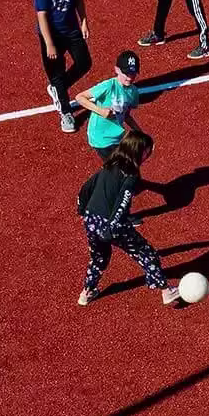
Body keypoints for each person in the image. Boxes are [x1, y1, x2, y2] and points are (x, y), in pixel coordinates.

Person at [76, 129, 181, 307]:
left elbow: (86, 188)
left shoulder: (109, 165)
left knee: (98, 258)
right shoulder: (131, 175)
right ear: (139, 151)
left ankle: (86, 292)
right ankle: (165, 290)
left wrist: (81, 209)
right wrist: (112, 225)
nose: (150, 153)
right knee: (145, 252)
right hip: (112, 224)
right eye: (148, 150)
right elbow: (122, 202)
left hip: (90, 219)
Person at [33, 0, 92, 133]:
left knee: (85, 63)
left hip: (72, 30)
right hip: (53, 35)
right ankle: (66, 113)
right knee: (56, 73)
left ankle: (58, 89)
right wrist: (49, 43)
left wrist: (83, 21)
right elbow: (41, 16)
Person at [75, 50, 143, 163]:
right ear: (117, 69)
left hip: (118, 136)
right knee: (120, 168)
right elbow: (80, 97)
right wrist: (100, 111)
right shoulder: (108, 86)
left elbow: (126, 115)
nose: (130, 78)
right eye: (126, 73)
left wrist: (140, 133)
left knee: (126, 166)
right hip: (101, 138)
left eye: (133, 74)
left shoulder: (133, 92)